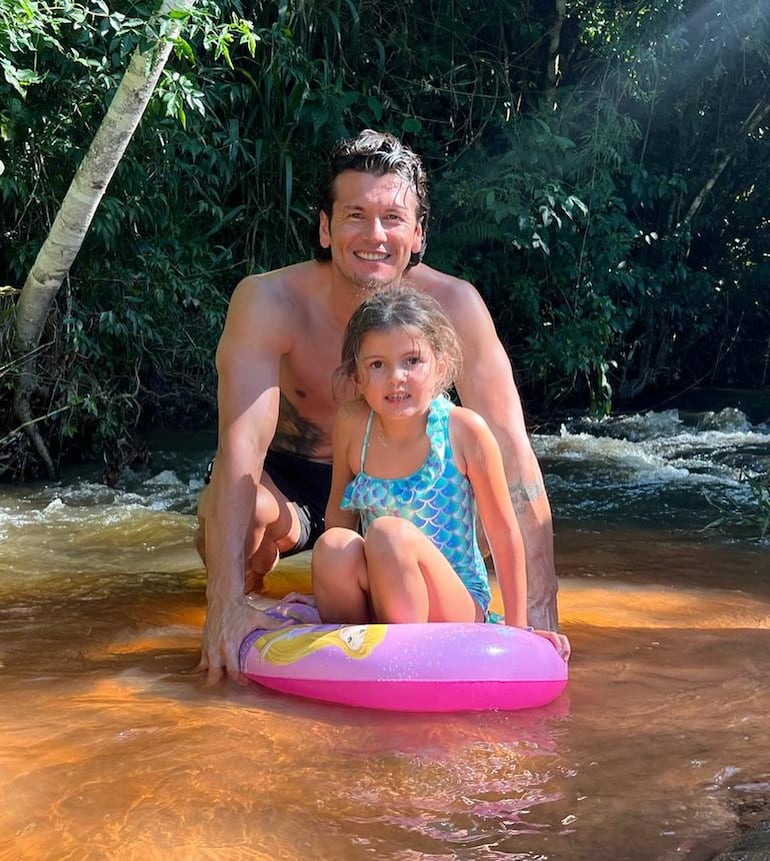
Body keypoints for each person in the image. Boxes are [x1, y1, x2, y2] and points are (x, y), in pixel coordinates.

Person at [196, 128, 560, 683]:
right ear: (325, 227)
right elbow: (239, 452)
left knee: (476, 505)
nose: (375, 235)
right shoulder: (268, 301)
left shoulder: (454, 305)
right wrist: (218, 607)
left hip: (405, 488)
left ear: (417, 235)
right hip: (294, 485)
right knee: (228, 514)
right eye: (355, 215)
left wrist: (537, 608)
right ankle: (245, 605)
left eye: (392, 218)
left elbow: (513, 453)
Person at [311, 287, 570, 660]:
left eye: (412, 361)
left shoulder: (464, 431)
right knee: (333, 545)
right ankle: (353, 657)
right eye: (377, 365)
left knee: (388, 534)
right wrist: (319, 585)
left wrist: (518, 629)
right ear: (358, 376)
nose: (396, 377)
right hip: (383, 590)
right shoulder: (353, 424)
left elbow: (502, 531)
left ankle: (407, 658)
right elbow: (339, 514)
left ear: (441, 365)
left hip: (455, 601)